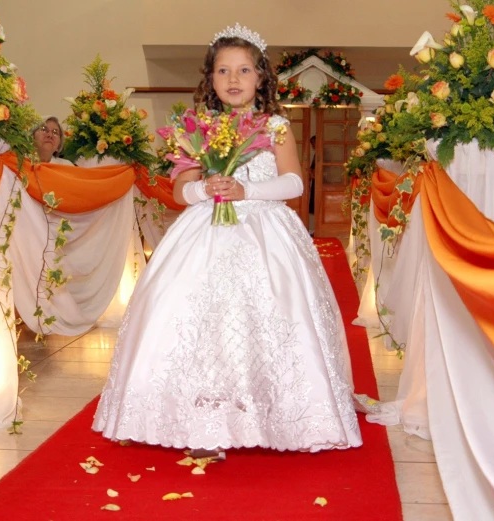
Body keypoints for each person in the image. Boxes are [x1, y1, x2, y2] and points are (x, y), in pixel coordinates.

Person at [92, 24, 362, 456]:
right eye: (223, 71)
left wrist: (247, 190)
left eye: (243, 70)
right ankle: (202, 419)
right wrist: (207, 189)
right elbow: (181, 191)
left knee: (269, 317)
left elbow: (293, 182)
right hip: (205, 233)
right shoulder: (195, 126)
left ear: (261, 78)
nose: (233, 79)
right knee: (199, 317)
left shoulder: (274, 126)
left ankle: (277, 414)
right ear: (210, 79)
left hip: (266, 232)